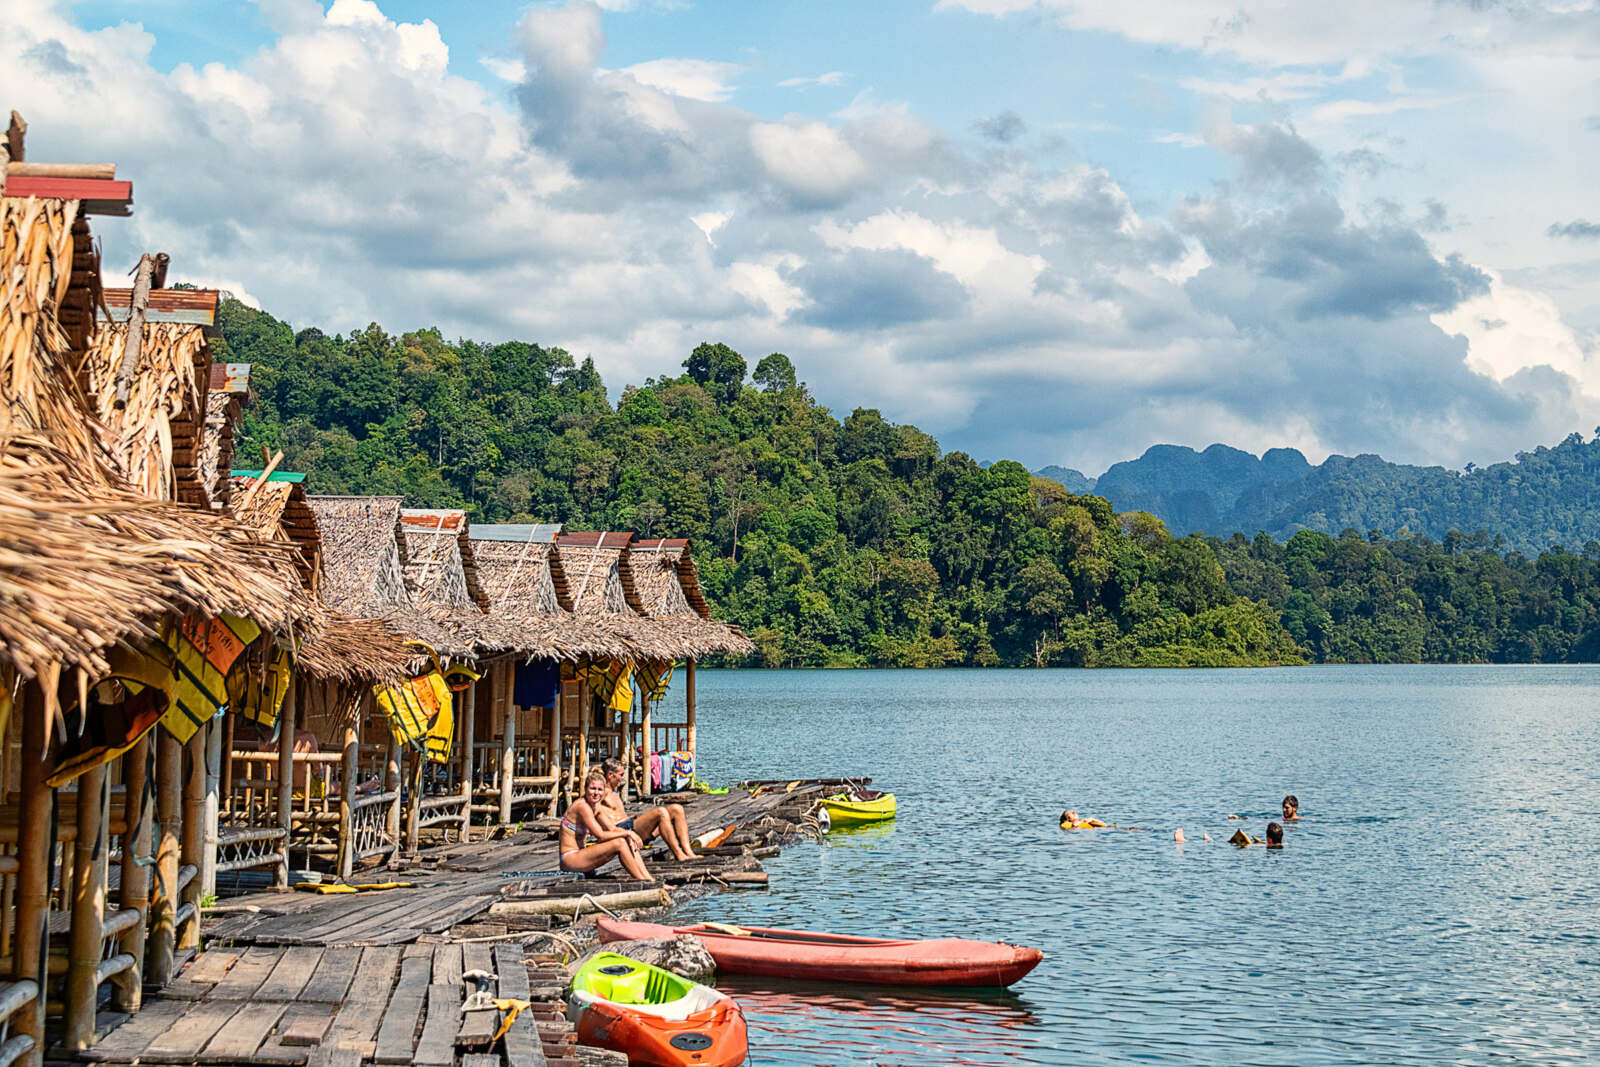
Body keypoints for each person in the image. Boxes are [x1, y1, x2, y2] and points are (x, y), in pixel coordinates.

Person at [596, 758, 699, 862]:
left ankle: (688, 852)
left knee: (677, 809)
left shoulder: (614, 792)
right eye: (621, 775)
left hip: (632, 826)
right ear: (610, 775)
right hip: (622, 830)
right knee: (660, 812)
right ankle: (679, 854)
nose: (623, 779)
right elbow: (586, 806)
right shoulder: (602, 792)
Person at [559, 769, 653, 881]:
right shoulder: (582, 806)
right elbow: (600, 836)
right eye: (592, 788)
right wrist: (628, 832)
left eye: (600, 790)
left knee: (627, 840)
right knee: (619, 843)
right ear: (585, 789)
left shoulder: (596, 806)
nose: (596, 793)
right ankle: (643, 881)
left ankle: (649, 879)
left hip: (582, 856)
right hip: (570, 859)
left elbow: (612, 828)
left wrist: (629, 835)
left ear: (604, 791)